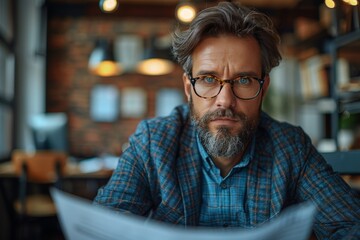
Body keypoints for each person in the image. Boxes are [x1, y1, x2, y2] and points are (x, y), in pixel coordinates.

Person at [94, 2, 360, 239]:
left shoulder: (290, 148)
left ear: (263, 88)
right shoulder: (153, 142)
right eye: (209, 79)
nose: (225, 100)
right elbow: (103, 228)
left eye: (243, 80)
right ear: (188, 87)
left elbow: (349, 226)